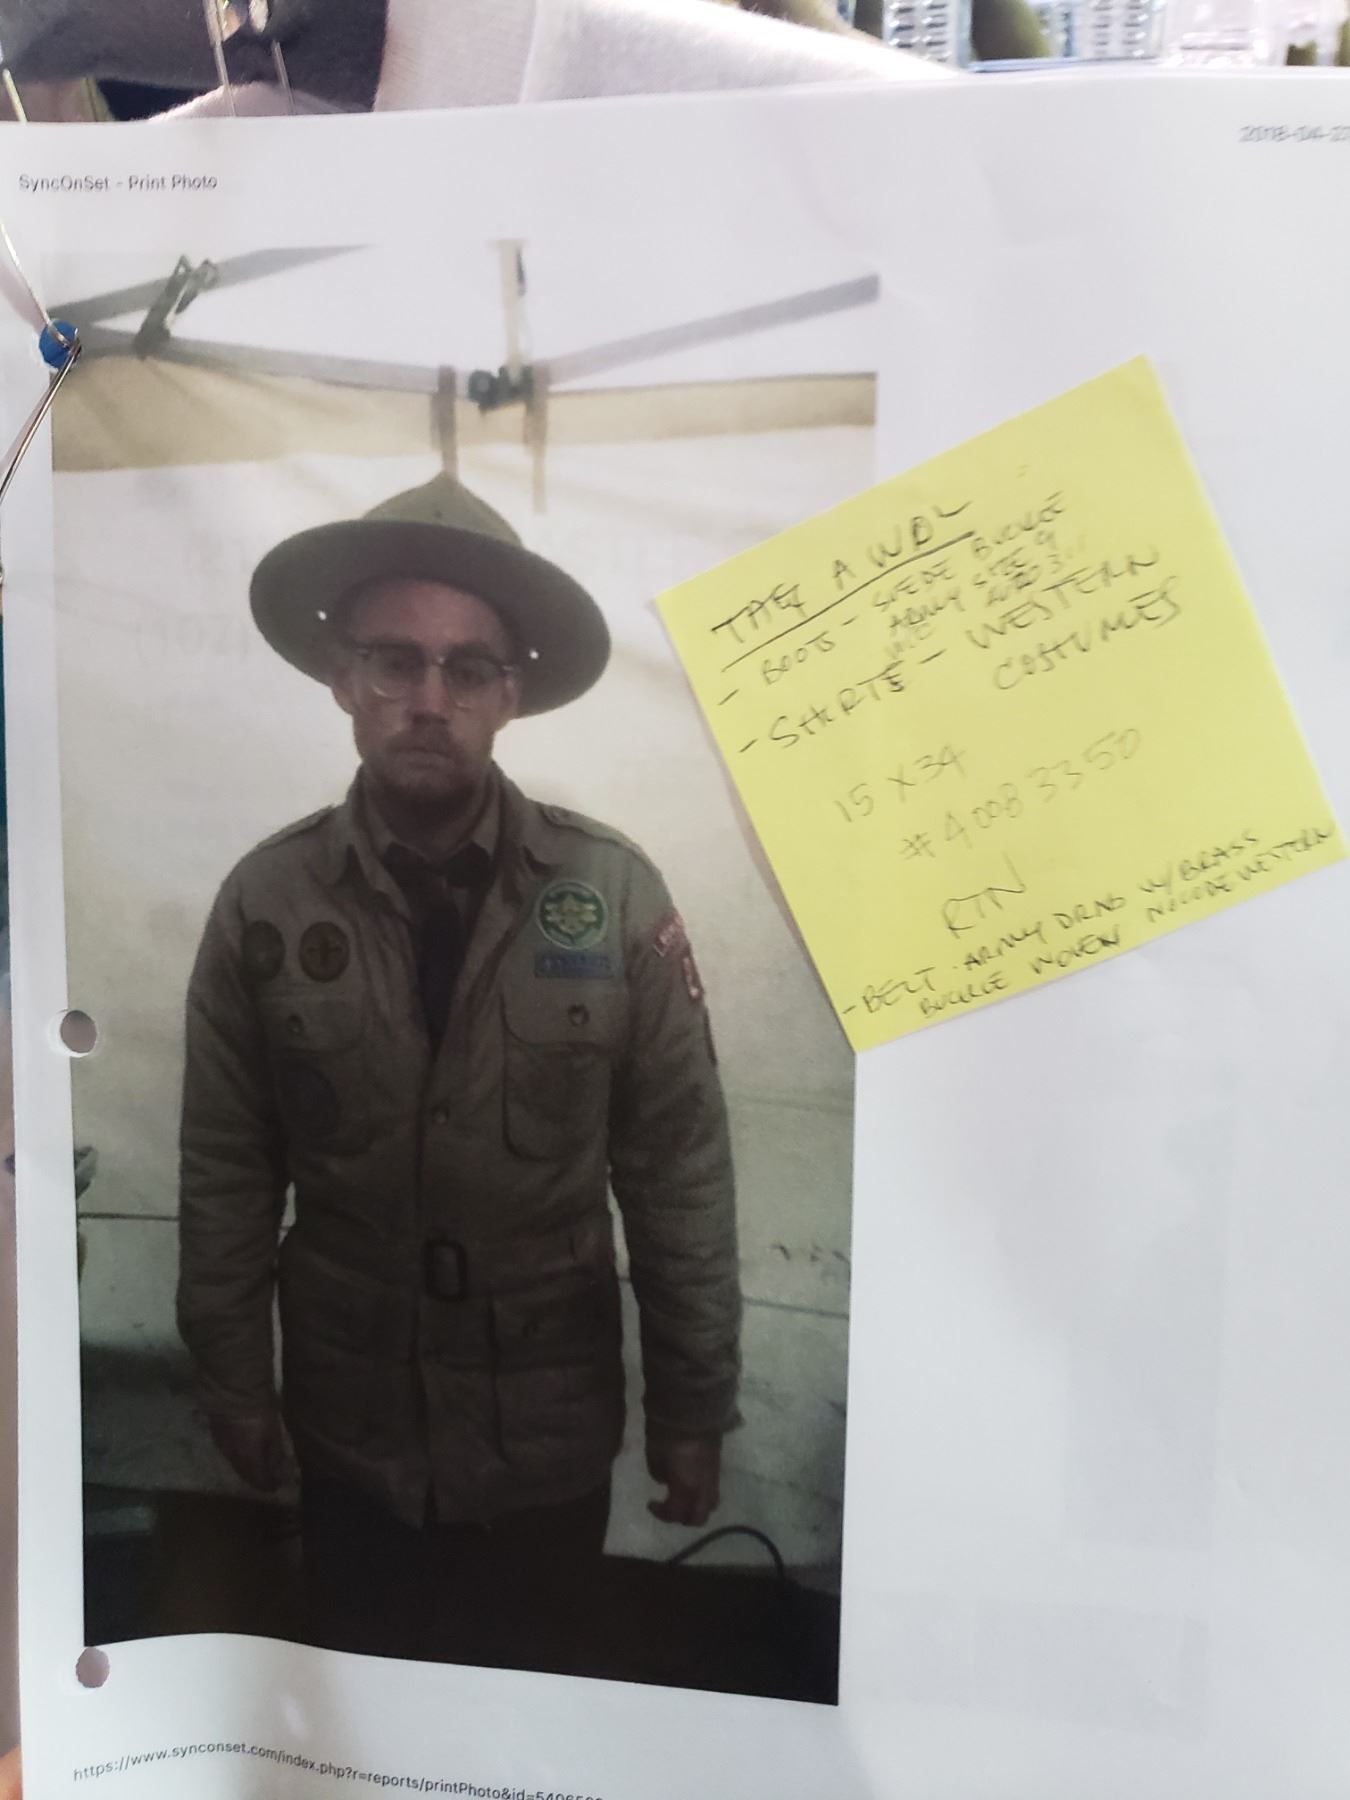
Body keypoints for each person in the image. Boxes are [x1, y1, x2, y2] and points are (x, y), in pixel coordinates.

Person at [176, 473, 741, 1663]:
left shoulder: (612, 893)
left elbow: (678, 1173)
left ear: (509, 696)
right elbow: (227, 1170)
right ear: (343, 678)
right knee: (362, 1700)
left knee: (536, 1701)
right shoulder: (266, 903)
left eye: (467, 669)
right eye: (395, 662)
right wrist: (234, 1384)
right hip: (352, 1426)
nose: (429, 701)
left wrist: (695, 1407)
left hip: (544, 1433)